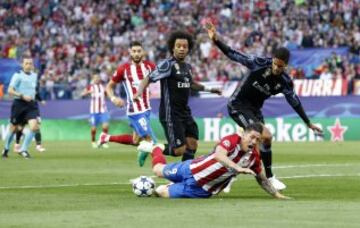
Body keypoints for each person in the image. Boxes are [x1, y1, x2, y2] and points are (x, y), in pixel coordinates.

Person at [205, 21, 323, 190]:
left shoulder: (285, 82)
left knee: (262, 142)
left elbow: (294, 102)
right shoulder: (258, 63)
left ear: (285, 66)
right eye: (275, 63)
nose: (276, 67)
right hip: (237, 105)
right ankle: (267, 177)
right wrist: (216, 40)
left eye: (280, 66)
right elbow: (233, 54)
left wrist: (308, 123)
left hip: (254, 111)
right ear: (272, 60)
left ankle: (231, 175)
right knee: (261, 137)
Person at [134, 31, 221, 163]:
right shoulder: (167, 65)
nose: (181, 49)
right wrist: (139, 91)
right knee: (178, 150)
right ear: (173, 48)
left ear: (188, 49)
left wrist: (210, 89)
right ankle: (148, 148)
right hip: (171, 113)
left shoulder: (187, 67)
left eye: (184, 46)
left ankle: (184, 175)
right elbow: (148, 78)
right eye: (178, 46)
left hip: (185, 112)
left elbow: (190, 84)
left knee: (192, 144)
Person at [145, 123, 290, 199]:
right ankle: (154, 148)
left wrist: (276, 194)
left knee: (160, 192)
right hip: (191, 168)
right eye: (252, 137)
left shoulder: (253, 159)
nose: (254, 141)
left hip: (200, 189)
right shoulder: (232, 139)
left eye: (258, 140)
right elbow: (219, 155)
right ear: (244, 134)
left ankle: (170, 186)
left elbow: (262, 179)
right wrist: (237, 168)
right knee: (157, 169)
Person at [97, 41, 157, 166]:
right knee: (151, 141)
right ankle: (162, 170)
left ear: (143, 52)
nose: (136, 54)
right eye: (134, 51)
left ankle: (106, 137)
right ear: (130, 52)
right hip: (135, 110)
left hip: (147, 109)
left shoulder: (150, 67)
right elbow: (109, 87)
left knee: (136, 141)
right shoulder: (123, 69)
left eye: (139, 51)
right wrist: (114, 99)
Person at [2, 55, 40, 159]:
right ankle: (5, 149)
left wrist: (37, 98)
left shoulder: (34, 75)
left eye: (30, 63)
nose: (29, 65)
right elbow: (10, 91)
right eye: (26, 63)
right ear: (22, 64)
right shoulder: (17, 75)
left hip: (31, 105)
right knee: (13, 128)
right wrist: (22, 95)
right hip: (19, 104)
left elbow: (33, 90)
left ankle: (23, 149)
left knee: (34, 127)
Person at [14, 80, 46, 153]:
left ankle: (38, 145)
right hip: (23, 109)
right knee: (20, 128)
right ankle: (17, 144)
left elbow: (36, 94)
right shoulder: (22, 86)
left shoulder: (34, 85)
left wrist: (41, 100)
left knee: (36, 126)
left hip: (32, 109)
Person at [81, 74, 110, 149]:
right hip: (94, 111)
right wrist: (88, 92)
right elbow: (82, 94)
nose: (97, 79)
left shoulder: (103, 86)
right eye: (95, 78)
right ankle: (93, 141)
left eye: (98, 78)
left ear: (100, 79)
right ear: (93, 79)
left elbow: (107, 94)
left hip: (103, 110)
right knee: (93, 128)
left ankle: (103, 142)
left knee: (105, 126)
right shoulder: (90, 87)